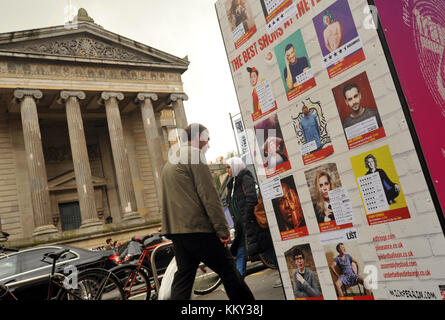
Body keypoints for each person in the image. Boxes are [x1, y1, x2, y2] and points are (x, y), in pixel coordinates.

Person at [161, 123, 254, 301]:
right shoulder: (195, 155)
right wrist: (222, 230)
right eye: (207, 139)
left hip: (177, 231)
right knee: (228, 271)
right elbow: (209, 196)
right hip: (197, 228)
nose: (209, 145)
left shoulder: (172, 159)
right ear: (198, 138)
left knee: (183, 278)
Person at [225, 157, 277, 280]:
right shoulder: (232, 184)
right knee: (241, 254)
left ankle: (287, 273)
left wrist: (246, 217)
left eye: (228, 167)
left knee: (267, 251)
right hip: (242, 228)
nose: (227, 170)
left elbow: (251, 198)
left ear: (235, 166)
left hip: (252, 225)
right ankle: (239, 288)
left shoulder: (245, 178)